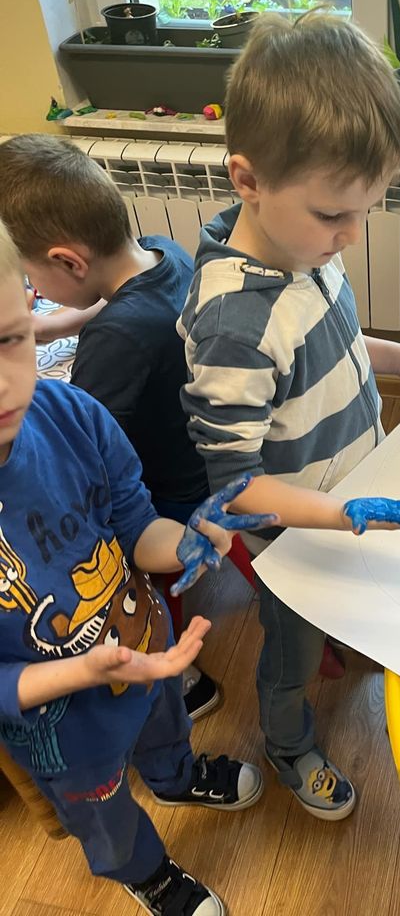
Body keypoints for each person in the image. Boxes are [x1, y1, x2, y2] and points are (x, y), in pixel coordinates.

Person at [177, 10, 400, 821]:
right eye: (335, 215)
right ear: (248, 180)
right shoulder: (234, 325)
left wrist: (398, 357)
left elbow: (322, 341)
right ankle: (289, 744)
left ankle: (344, 634)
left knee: (344, 611)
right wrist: (344, 516)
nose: (354, 237)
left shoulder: (302, 249)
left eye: (366, 210)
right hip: (296, 538)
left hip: (343, 503)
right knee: (292, 656)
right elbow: (235, 489)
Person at [0, 223, 278, 916]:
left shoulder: (72, 414)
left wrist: (186, 542)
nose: (3, 383)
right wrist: (83, 672)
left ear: (30, 308)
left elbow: (135, 524)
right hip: (62, 723)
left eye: (8, 339)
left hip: (148, 650)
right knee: (102, 810)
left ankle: (175, 776)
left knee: (165, 728)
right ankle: (145, 871)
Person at [0, 134, 220, 720]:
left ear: (69, 262)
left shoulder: (114, 340)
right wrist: (51, 327)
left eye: (31, 283)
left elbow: (78, 451)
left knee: (91, 541)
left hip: (171, 493)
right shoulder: (165, 252)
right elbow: (119, 304)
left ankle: (179, 673)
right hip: (202, 452)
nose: (36, 298)